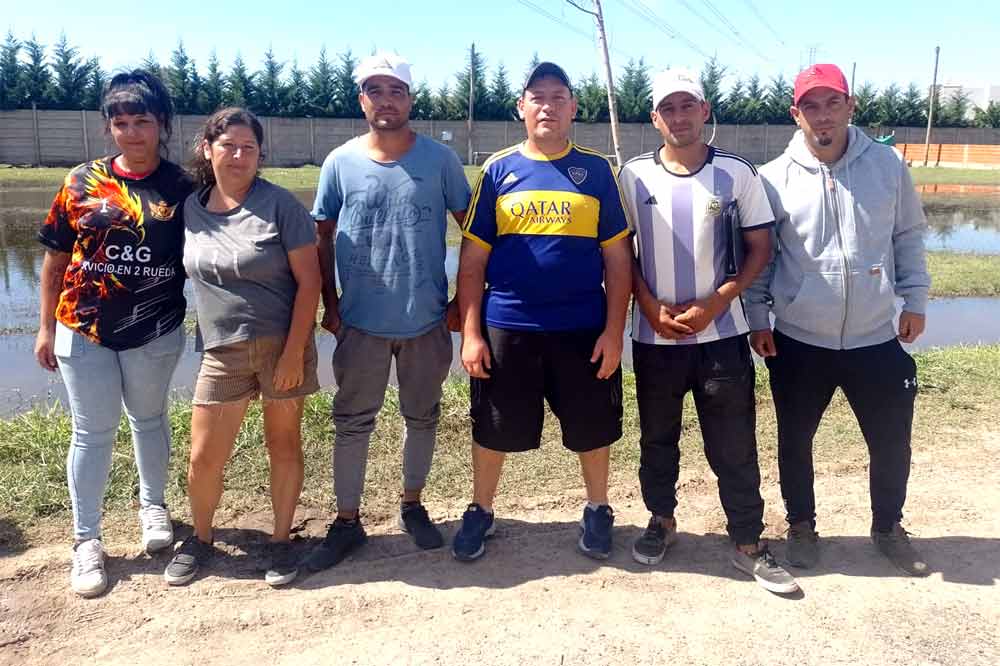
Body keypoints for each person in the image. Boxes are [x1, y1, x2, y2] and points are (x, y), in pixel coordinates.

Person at [744, 64, 931, 576]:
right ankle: (801, 525)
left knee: (892, 439)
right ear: (796, 114)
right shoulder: (773, 178)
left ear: (851, 106)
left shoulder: (888, 167)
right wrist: (758, 316)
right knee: (795, 439)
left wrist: (914, 299)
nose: (822, 116)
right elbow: (761, 255)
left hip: (876, 336)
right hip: (801, 339)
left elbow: (908, 236)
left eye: (832, 104)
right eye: (810, 106)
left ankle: (888, 526)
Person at [617, 69, 798, 594]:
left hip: (722, 336)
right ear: (655, 118)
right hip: (655, 337)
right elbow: (620, 253)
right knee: (657, 434)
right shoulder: (631, 176)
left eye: (687, 106)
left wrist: (716, 300)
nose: (678, 116)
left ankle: (747, 540)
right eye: (667, 108)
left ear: (705, 110)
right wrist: (649, 308)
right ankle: (661, 521)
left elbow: (759, 247)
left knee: (733, 440)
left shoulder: (737, 173)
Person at [452, 62, 632, 562]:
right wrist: (470, 333)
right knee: (493, 426)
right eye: (537, 97)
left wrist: (614, 333)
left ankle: (598, 509)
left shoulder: (596, 171)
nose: (547, 106)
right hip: (509, 326)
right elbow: (472, 263)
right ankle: (481, 511)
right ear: (521, 108)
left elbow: (619, 262)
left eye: (558, 97)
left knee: (592, 427)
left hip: (582, 328)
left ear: (574, 108)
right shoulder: (497, 169)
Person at [304, 53, 471, 573]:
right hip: (360, 324)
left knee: (422, 417)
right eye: (375, 90)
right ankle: (347, 522)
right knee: (352, 423)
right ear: (362, 100)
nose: (386, 100)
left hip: (426, 321)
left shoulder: (440, 162)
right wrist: (329, 305)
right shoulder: (339, 162)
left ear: (410, 99)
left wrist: (463, 303)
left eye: (395, 90)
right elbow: (321, 237)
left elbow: (472, 230)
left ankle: (412, 505)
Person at [34, 70, 192, 597]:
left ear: (161, 124)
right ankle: (87, 542)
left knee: (149, 420)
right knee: (91, 433)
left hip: (156, 331)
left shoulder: (183, 186)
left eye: (141, 121)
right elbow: (55, 260)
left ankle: (153, 507)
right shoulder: (81, 182)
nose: (130, 132)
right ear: (108, 127)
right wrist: (44, 327)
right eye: (119, 122)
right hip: (85, 329)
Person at [163, 108, 321, 587]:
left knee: (283, 446)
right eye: (228, 145)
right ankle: (201, 538)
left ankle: (280, 541)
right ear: (207, 149)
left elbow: (310, 283)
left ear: (260, 155)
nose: (237, 155)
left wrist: (295, 352)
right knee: (203, 456)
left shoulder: (281, 206)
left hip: (281, 346)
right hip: (220, 349)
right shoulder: (190, 207)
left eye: (248, 148)